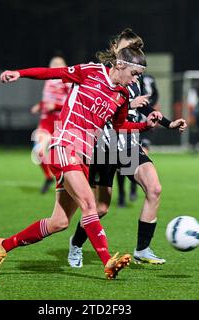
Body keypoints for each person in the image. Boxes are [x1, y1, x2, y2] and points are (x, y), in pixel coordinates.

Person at [0, 41, 163, 280]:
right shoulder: (91, 72)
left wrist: (145, 125)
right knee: (90, 205)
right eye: (134, 74)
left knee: (59, 222)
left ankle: (3, 245)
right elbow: (54, 73)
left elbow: (120, 125)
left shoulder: (121, 95)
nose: (135, 81)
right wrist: (20, 73)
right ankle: (107, 262)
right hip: (64, 145)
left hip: (84, 156)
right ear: (121, 65)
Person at [67, 28, 187, 268]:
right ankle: (76, 245)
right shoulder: (100, 73)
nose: (133, 52)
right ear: (117, 49)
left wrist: (168, 123)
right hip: (105, 146)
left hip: (130, 145)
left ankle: (143, 249)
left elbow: (143, 108)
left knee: (154, 188)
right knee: (100, 208)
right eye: (129, 47)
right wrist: (128, 103)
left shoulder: (135, 77)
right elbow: (99, 107)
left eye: (136, 49)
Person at [116, 73, 160, 206]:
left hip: (145, 125)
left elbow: (156, 96)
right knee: (123, 164)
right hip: (129, 125)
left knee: (140, 158)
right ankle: (122, 194)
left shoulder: (147, 79)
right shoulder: (123, 78)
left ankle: (134, 188)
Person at [30, 55, 71, 194]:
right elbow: (47, 100)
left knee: (58, 157)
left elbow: (71, 102)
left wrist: (55, 106)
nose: (55, 66)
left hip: (60, 122)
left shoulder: (67, 80)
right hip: (46, 121)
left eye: (58, 64)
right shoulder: (48, 80)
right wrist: (40, 105)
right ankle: (48, 177)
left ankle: (64, 182)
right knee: (38, 151)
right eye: (53, 64)